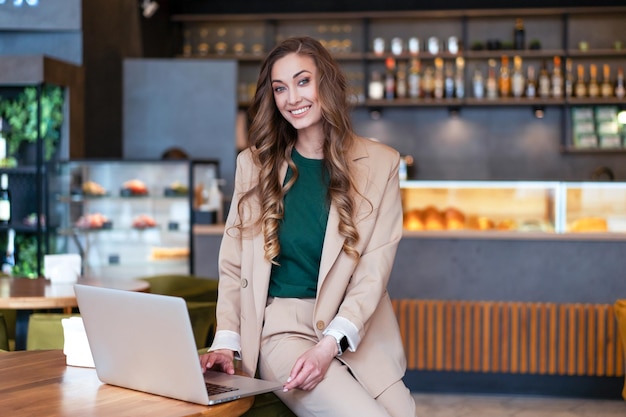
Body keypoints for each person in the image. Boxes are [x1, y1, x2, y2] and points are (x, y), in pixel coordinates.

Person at [200, 36, 416, 417]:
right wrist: (225, 342)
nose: (292, 98)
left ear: (326, 84)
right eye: (280, 88)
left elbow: (373, 273)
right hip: (281, 329)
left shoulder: (381, 164)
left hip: (353, 328)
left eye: (303, 81)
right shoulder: (254, 166)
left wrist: (329, 344)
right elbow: (233, 266)